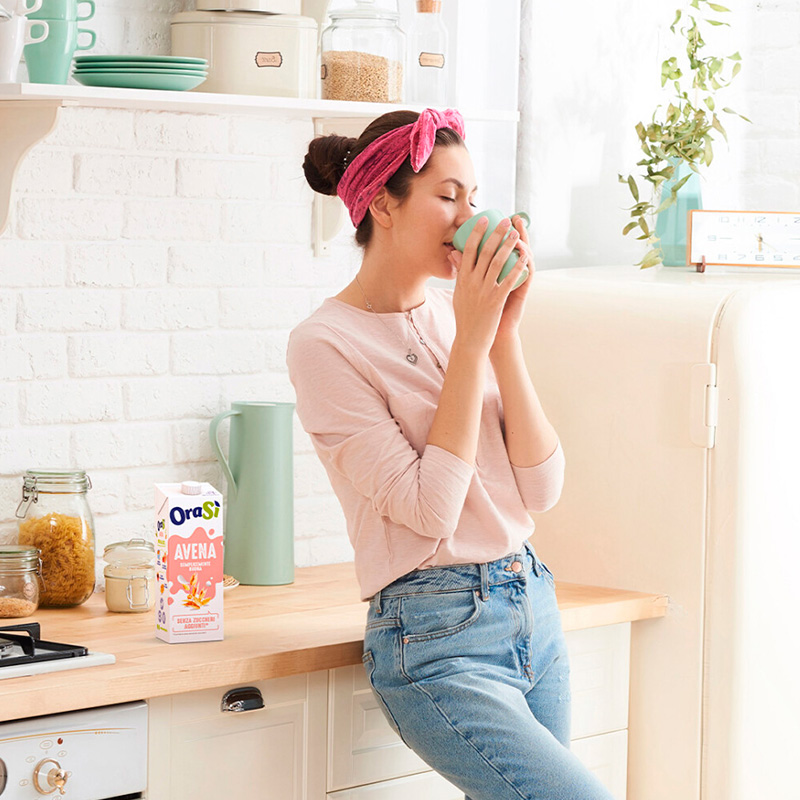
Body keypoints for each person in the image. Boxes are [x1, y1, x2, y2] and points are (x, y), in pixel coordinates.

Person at [286, 108, 615, 800]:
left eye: (473, 195)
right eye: (447, 195)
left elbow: (542, 486)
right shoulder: (325, 344)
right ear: (383, 204)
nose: (470, 213)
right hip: (437, 637)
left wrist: (503, 336)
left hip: (530, 604)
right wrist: (471, 338)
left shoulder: (456, 315)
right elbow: (429, 508)